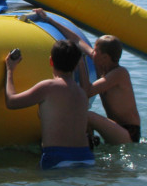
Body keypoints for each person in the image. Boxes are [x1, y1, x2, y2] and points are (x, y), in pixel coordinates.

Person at [33, 8, 141, 145]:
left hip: (129, 133)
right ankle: (87, 144)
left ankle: (72, 144)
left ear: (105, 57)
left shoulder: (120, 73)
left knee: (87, 115)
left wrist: (81, 61)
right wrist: (49, 20)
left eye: (95, 50)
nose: (92, 52)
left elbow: (87, 92)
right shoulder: (100, 63)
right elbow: (77, 41)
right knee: (84, 115)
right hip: (115, 128)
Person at [5, 40, 95, 170]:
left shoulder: (48, 87)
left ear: (51, 61)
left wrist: (10, 70)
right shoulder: (81, 93)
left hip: (58, 158)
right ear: (76, 65)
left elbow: (12, 102)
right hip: (86, 158)